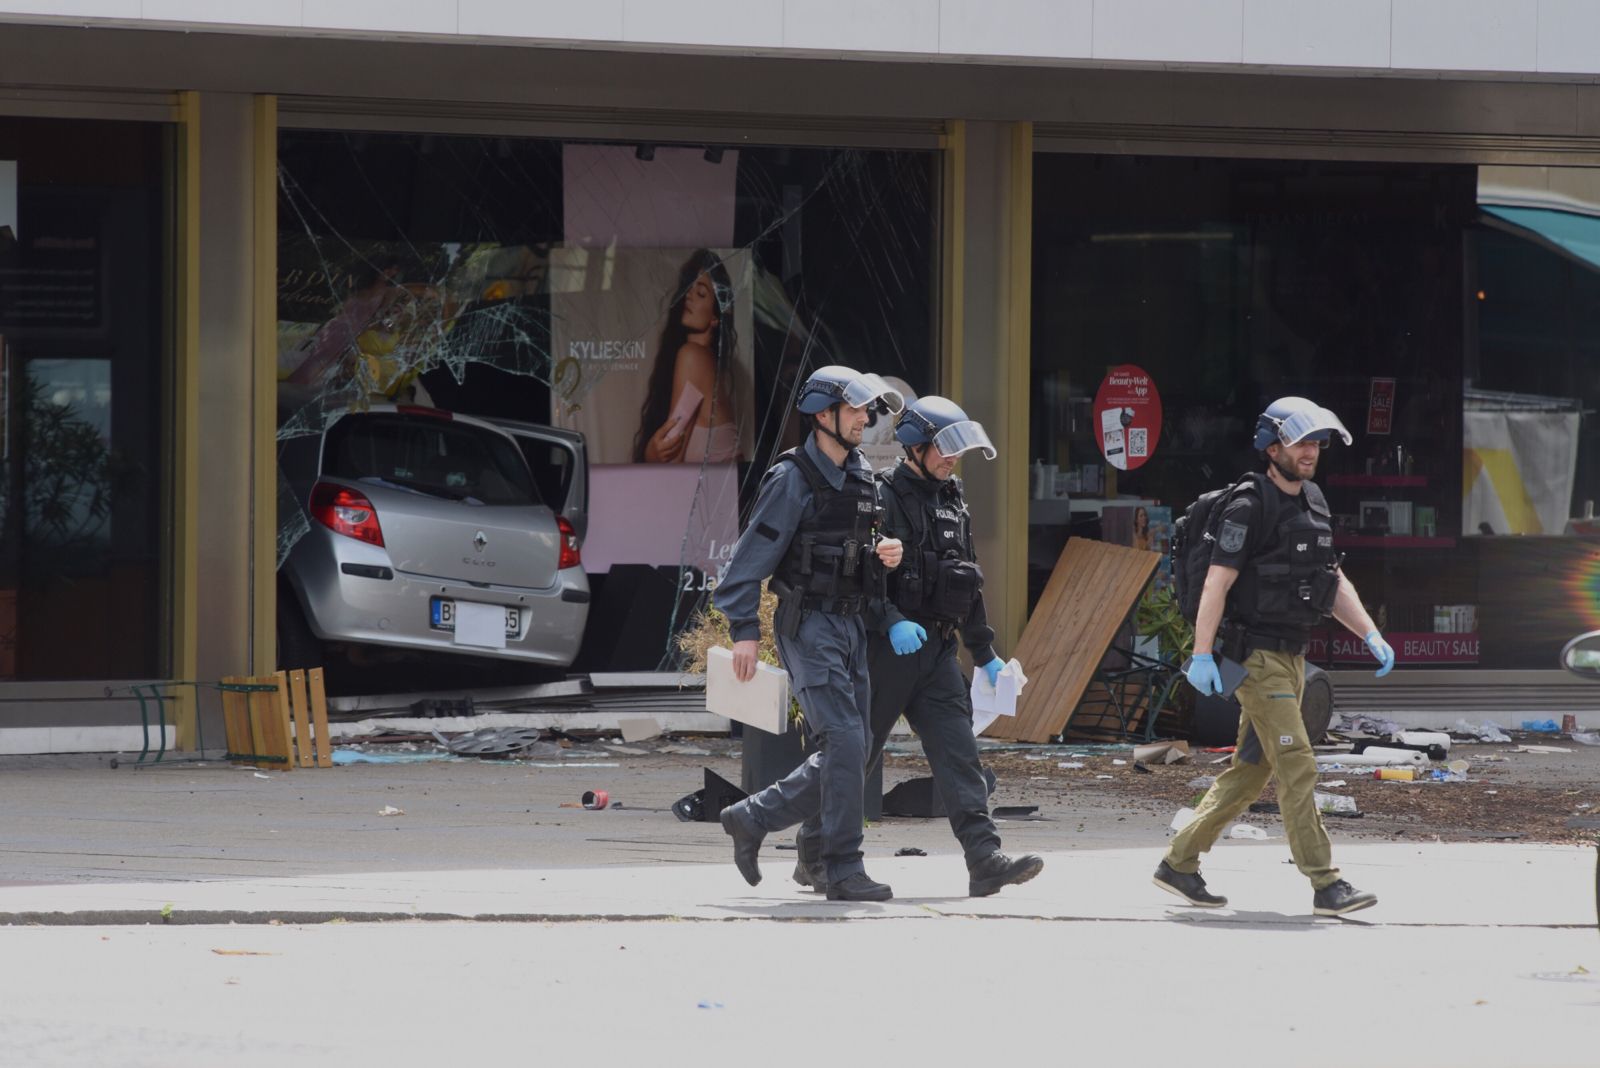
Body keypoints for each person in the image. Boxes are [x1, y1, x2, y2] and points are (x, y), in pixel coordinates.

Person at [788, 396, 1045, 897]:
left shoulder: (955, 500)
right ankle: (815, 852)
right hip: (887, 649)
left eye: (956, 451)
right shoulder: (879, 497)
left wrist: (985, 651)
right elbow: (864, 577)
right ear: (916, 445)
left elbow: (966, 582)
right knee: (855, 755)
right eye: (943, 449)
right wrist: (892, 621)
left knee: (959, 753)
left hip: (937, 653)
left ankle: (984, 858)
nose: (951, 459)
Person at [1155, 396, 1395, 917]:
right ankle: (1326, 882)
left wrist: (1369, 633)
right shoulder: (1249, 504)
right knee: (1298, 765)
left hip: (1293, 656)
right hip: (1255, 658)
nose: (1310, 451)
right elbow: (1217, 584)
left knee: (1249, 772)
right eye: (1299, 441)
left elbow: (1331, 581)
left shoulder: (1314, 501)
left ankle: (1179, 863)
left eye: (1316, 442)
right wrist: (1201, 654)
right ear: (1271, 446)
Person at [714, 365, 906, 902]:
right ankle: (843, 866)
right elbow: (747, 562)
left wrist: (882, 553)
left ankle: (764, 824)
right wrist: (745, 632)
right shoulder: (792, 478)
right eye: (857, 410)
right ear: (823, 415)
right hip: (809, 624)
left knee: (857, 745)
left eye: (868, 410)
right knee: (844, 739)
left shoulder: (863, 473)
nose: (866, 419)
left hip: (849, 624)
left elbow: (850, 546)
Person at [633, 249, 742, 464]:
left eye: (701, 293)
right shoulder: (707, 364)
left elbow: (670, 460)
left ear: (715, 317)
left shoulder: (693, 357)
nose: (689, 295)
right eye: (689, 288)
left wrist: (650, 455)